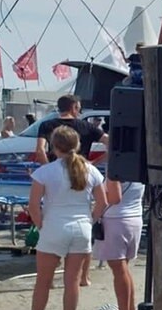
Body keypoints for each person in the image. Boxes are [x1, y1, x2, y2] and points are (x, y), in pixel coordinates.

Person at [19, 126, 107, 310]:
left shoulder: (45, 172)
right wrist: (89, 220)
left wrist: (42, 226)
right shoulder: (90, 170)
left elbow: (33, 206)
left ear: (54, 146)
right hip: (81, 228)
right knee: (73, 281)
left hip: (54, 226)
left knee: (43, 281)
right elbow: (102, 203)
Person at [35, 95, 109, 286]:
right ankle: (84, 276)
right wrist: (93, 163)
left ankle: (50, 275)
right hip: (82, 175)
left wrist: (47, 169)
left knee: (51, 218)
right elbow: (112, 144)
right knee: (83, 227)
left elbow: (40, 150)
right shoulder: (88, 127)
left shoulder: (47, 125)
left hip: (54, 176)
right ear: (75, 107)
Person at [93, 179, 145, 310]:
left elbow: (114, 198)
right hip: (134, 217)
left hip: (116, 219)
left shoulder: (116, 168)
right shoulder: (138, 166)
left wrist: (96, 194)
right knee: (124, 269)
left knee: (119, 269)